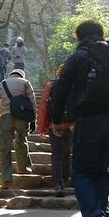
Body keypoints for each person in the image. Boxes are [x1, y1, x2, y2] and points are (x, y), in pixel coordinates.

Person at [50, 20, 109, 217]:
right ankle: (102, 214)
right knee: (100, 171)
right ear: (101, 33)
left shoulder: (79, 56)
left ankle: (94, 216)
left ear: (79, 37)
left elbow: (59, 89)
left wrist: (56, 119)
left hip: (89, 119)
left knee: (82, 172)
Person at [0, 68, 37, 189]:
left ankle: (5, 180)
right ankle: (22, 168)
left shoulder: (2, 83)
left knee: (5, 147)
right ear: (21, 75)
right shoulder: (25, 82)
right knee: (21, 141)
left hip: (6, 117)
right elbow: (32, 102)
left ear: (11, 75)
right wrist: (33, 120)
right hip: (22, 116)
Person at [37, 64, 74, 198]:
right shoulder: (76, 86)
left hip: (55, 125)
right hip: (71, 125)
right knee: (67, 152)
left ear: (58, 74)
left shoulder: (51, 86)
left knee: (57, 154)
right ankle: (66, 178)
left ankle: (58, 183)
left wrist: (42, 127)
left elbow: (44, 107)